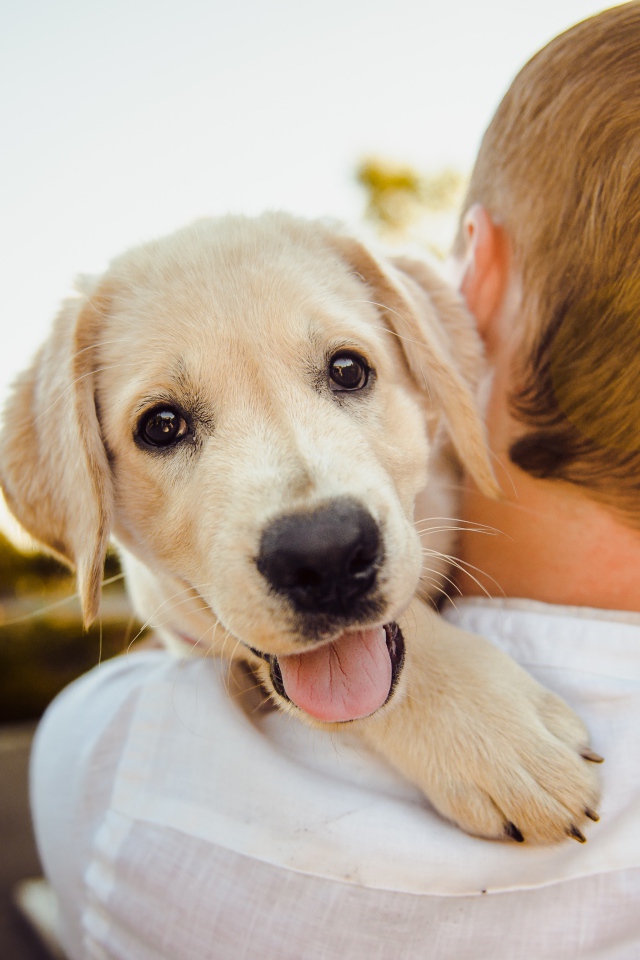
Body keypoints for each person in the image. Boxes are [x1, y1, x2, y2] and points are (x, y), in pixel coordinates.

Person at [27, 4, 640, 958]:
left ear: (436, 358)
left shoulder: (109, 765)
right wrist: (418, 674)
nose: (308, 520)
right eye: (166, 425)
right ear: (82, 482)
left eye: (345, 374)